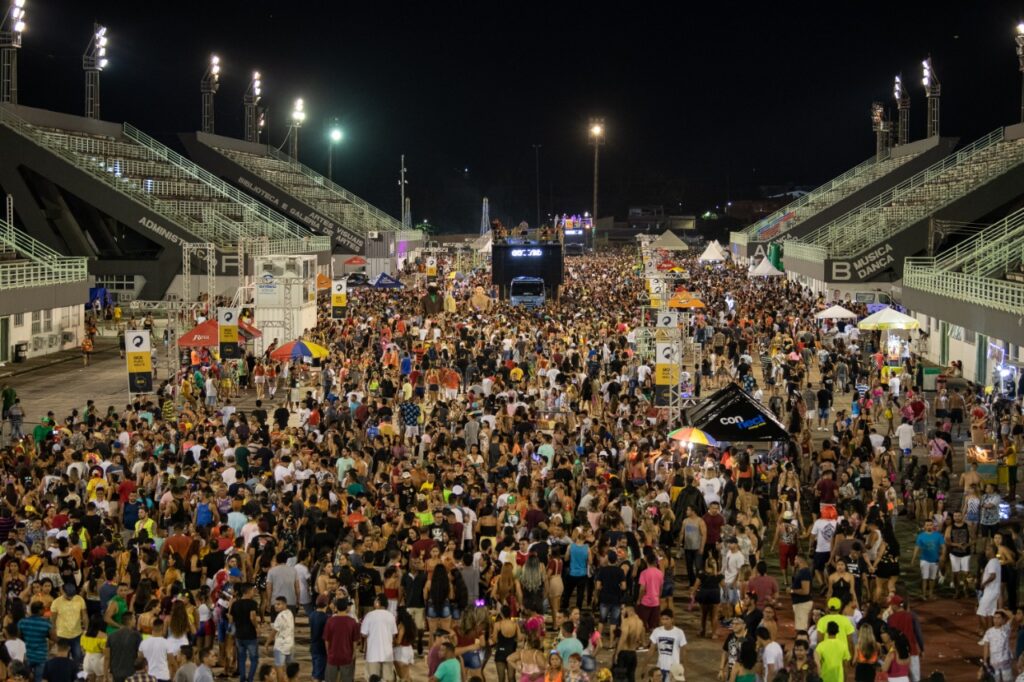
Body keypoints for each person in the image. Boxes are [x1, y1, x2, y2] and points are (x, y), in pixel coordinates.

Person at [361, 594, 397, 682]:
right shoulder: (391, 616)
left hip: (373, 654)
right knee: (388, 680)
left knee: (373, 679)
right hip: (387, 654)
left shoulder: (369, 615)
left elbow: (363, 634)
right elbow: (394, 634)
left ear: (378, 602)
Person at [49, 583, 87, 666]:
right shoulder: (56, 602)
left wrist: (86, 630)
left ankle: (76, 675)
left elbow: (84, 616)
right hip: (62, 635)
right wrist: (53, 633)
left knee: (77, 657)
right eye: (68, 595)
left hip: (76, 634)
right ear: (63, 591)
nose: (70, 597)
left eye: (72, 595)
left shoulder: (80, 599)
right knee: (62, 659)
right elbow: (52, 620)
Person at [229, 583, 261, 682]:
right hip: (250, 635)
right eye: (253, 590)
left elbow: (230, 619)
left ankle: (242, 678)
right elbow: (252, 617)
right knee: (254, 659)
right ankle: (250, 679)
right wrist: (257, 626)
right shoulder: (252, 603)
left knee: (241, 659)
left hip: (239, 635)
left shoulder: (235, 604)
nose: (254, 592)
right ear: (248, 591)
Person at [323, 598, 361, 682]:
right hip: (347, 656)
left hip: (332, 656)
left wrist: (328, 653)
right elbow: (355, 641)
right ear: (347, 607)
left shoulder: (330, 621)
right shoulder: (352, 622)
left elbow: (326, 640)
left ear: (336, 607)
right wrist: (354, 653)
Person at [647, 609, 686, 682]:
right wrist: (645, 664)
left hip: (673, 669)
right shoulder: (657, 631)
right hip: (660, 667)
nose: (664, 621)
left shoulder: (679, 632)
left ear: (672, 619)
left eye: (667, 619)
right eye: (663, 619)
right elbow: (651, 649)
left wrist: (684, 668)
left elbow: (684, 651)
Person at [910, 519, 945, 601]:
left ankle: (930, 594)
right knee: (925, 578)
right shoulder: (921, 536)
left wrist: (943, 556)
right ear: (924, 526)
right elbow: (917, 547)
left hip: (935, 560)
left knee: (932, 578)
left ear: (933, 526)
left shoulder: (938, 535)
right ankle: (924, 594)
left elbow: (943, 546)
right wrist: (913, 558)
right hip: (924, 560)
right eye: (927, 525)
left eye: (930, 524)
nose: (929, 526)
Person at [107, 611, 142, 682]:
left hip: (115, 672)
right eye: (134, 619)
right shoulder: (136, 635)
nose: (135, 621)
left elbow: (107, 657)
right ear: (130, 620)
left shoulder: (111, 636)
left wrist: (106, 674)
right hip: (131, 672)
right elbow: (140, 654)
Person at [980, 609, 1014, 681]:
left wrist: (1002, 610)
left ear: (1002, 619)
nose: (996, 620)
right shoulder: (989, 632)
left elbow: (1012, 617)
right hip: (994, 663)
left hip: (1005, 661)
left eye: (998, 618)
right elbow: (986, 647)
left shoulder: (1006, 629)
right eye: (994, 618)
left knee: (1007, 680)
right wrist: (985, 661)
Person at [266, 596, 295, 678]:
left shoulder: (280, 616)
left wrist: (267, 643)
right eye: (275, 604)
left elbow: (273, 632)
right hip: (290, 645)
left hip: (280, 646)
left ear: (285, 604)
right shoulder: (290, 613)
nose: (276, 606)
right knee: (289, 669)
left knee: (279, 668)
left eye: (278, 604)